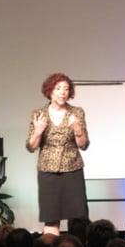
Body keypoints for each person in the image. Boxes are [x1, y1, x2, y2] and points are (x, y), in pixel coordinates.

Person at [26, 72, 89, 236]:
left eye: (66, 89)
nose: (63, 92)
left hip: (73, 169)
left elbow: (84, 145)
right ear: (50, 91)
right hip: (48, 171)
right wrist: (38, 131)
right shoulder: (39, 114)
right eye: (58, 88)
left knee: (78, 219)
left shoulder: (77, 113)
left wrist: (77, 129)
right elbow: (31, 146)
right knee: (51, 218)